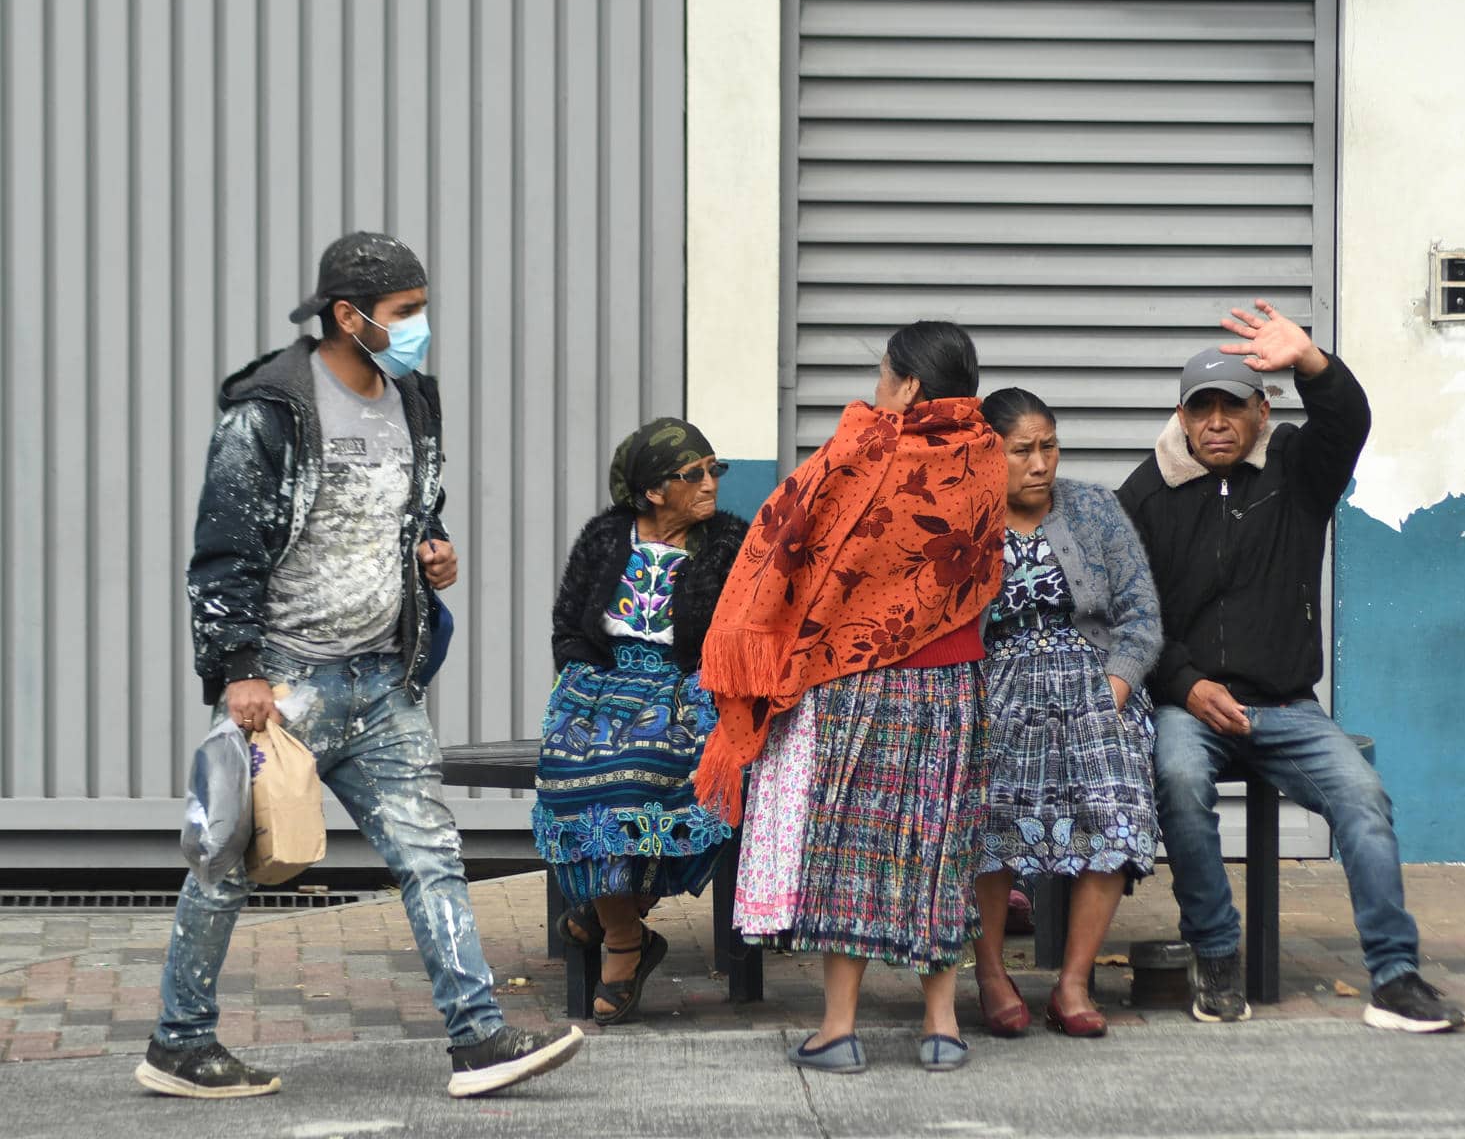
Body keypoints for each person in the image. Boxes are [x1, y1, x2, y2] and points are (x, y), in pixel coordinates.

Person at [148, 232, 582, 1100]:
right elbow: (222, 550)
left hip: (382, 680)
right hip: (284, 682)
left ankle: (479, 1040)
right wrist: (239, 671)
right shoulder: (269, 409)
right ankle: (178, 1043)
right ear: (348, 317)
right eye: (405, 314)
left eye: (421, 309)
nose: (420, 328)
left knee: (431, 853)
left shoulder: (413, 397)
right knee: (225, 857)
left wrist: (433, 550)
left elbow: (418, 503)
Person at [1117, 302, 1465, 1033]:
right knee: (1178, 780)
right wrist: (1185, 685)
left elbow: (1349, 423)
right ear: (1182, 415)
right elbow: (1129, 619)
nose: (1216, 422)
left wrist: (1313, 362)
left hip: (1287, 705)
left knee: (1364, 800)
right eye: (1201, 407)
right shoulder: (1142, 496)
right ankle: (1215, 953)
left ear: (1261, 408)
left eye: (1232, 406)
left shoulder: (1297, 469)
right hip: (1191, 704)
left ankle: (1396, 977)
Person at [694, 320, 1006, 1074]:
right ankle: (942, 1029)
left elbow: (793, 539)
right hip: (951, 684)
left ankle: (839, 1029)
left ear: (908, 386)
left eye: (882, 376)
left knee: (846, 850)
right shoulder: (989, 456)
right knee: (940, 846)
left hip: (856, 681)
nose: (873, 391)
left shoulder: (868, 447)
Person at [533, 420, 747, 1024]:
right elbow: (570, 625)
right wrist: (576, 683)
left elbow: (744, 636)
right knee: (576, 767)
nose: (710, 484)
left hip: (685, 685)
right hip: (601, 682)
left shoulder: (728, 544)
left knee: (637, 772)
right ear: (654, 491)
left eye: (715, 470)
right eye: (695, 474)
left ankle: (615, 932)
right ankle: (623, 926)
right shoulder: (606, 537)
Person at [972, 388, 1162, 1039]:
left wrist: (1114, 689)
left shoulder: (1094, 510)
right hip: (998, 683)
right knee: (985, 803)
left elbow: (1141, 618)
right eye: (1021, 450)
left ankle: (1073, 981)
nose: (1040, 463)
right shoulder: (967, 519)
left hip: (1092, 679)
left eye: (1048, 446)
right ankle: (991, 972)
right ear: (988, 455)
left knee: (1118, 797)